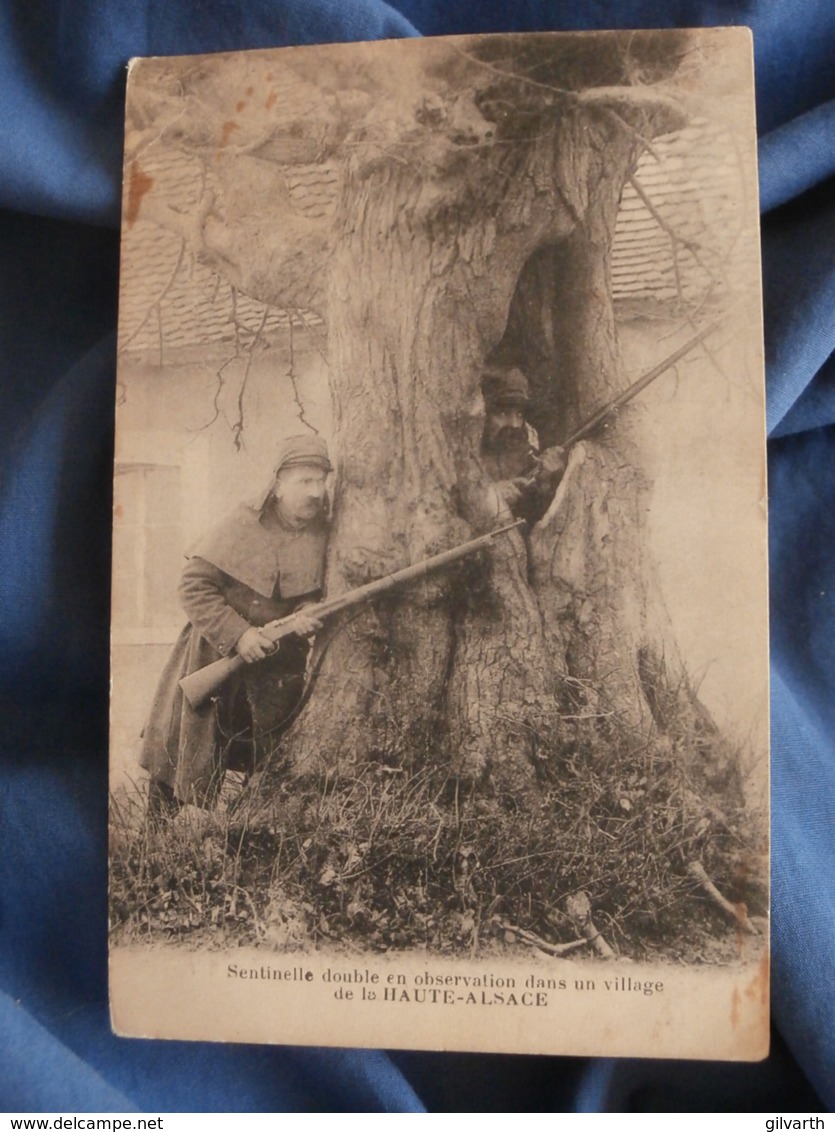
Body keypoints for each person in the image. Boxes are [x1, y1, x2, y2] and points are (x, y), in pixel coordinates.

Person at [139, 435, 332, 814]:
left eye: (321, 481)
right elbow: (192, 586)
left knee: (267, 757)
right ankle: (155, 845)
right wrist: (238, 635)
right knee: (180, 755)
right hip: (215, 652)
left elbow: (306, 588)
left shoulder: (323, 532)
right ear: (277, 485)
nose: (315, 492)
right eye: (304, 481)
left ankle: (242, 837)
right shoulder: (241, 523)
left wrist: (309, 611)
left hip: (276, 664)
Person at [480, 366, 566, 524]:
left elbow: (534, 520)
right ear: (483, 415)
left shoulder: (526, 456)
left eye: (519, 414)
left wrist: (545, 485)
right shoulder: (464, 457)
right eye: (503, 413)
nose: (515, 424)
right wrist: (491, 496)